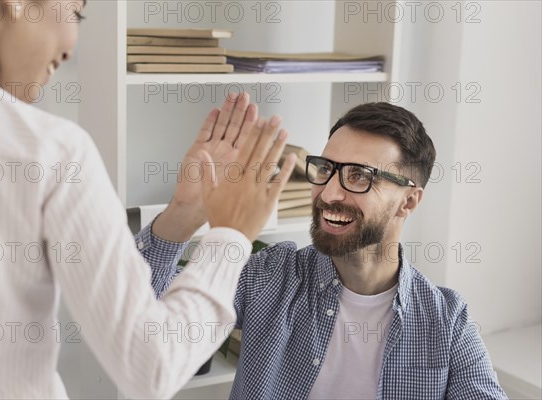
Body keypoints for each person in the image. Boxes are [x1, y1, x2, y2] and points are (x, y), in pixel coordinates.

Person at [0, 0, 296, 399]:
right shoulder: (50, 152)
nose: (70, 47)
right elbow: (151, 366)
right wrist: (231, 235)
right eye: (76, 13)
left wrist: (182, 215)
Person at [142, 102, 508, 399]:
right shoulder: (270, 276)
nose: (330, 194)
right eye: (326, 169)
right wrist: (183, 212)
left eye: (360, 177)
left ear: (408, 202)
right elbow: (142, 324)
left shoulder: (446, 323)